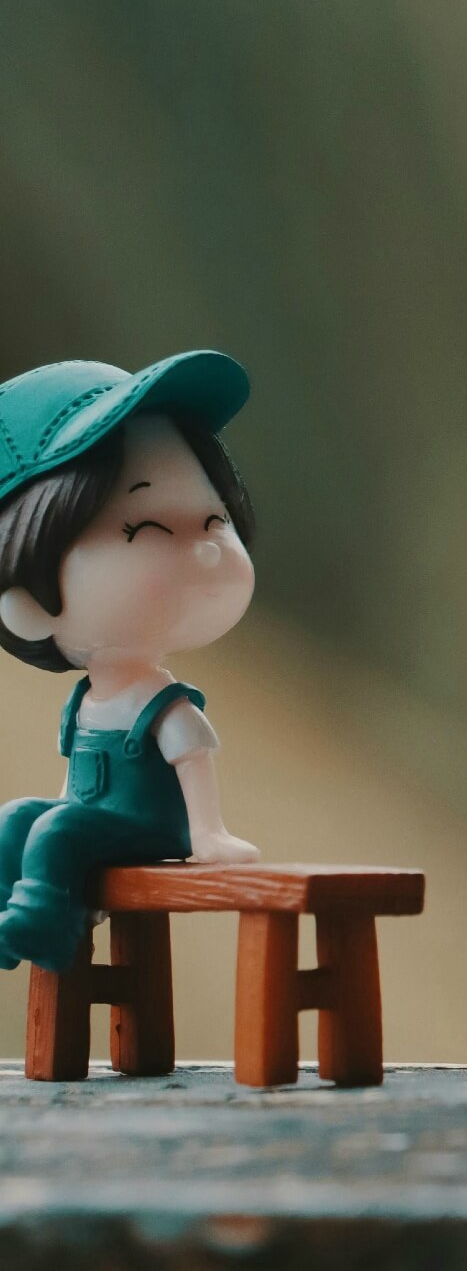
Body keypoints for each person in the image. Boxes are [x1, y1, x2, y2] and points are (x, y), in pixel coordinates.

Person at [0, 350, 258, 971]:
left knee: (57, 832)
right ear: (27, 596)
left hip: (153, 829)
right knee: (18, 819)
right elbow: (74, 787)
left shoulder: (163, 704)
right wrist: (61, 820)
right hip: (94, 823)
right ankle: (12, 917)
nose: (204, 550)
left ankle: (47, 925)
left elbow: (194, 763)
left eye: (214, 520)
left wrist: (209, 836)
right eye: (146, 529)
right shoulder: (85, 703)